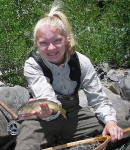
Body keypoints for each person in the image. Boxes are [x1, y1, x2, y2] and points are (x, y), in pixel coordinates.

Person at [15, 1, 130, 150]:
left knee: (122, 128)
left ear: (67, 39)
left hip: (74, 115)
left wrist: (110, 122)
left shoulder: (82, 62)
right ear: (36, 43)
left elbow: (98, 99)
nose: (51, 48)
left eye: (57, 40)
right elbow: (46, 95)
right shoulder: (32, 64)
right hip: (41, 118)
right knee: (25, 145)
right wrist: (49, 111)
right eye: (44, 43)